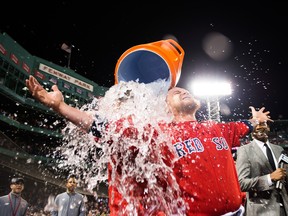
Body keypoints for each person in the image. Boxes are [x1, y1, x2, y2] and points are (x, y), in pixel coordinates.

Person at [25, 75, 271, 215]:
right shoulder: (158, 133)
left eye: (185, 90)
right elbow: (105, 128)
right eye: (176, 92)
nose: (183, 91)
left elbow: (246, 125)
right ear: (166, 107)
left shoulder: (220, 128)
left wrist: (256, 119)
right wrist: (59, 107)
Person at [236, 121, 288, 216]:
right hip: (261, 210)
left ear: (268, 128)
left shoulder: (279, 149)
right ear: (251, 130)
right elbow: (241, 183)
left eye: (263, 124)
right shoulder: (244, 150)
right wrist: (270, 178)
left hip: (284, 207)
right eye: (256, 124)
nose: (260, 127)